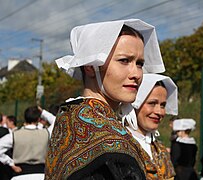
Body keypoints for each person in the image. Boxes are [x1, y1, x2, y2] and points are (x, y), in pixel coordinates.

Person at [45, 19, 165, 179]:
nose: (136, 74)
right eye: (124, 60)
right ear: (90, 67)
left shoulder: (72, 115)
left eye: (139, 63)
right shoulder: (101, 134)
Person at [124, 73, 178, 179]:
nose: (159, 112)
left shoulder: (160, 150)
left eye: (163, 105)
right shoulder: (120, 145)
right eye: (152, 103)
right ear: (134, 104)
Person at [0, 106, 51, 180]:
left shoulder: (14, 135)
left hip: (20, 175)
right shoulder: (47, 133)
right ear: (38, 119)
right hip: (41, 175)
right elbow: (55, 121)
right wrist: (43, 112)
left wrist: (10, 163)